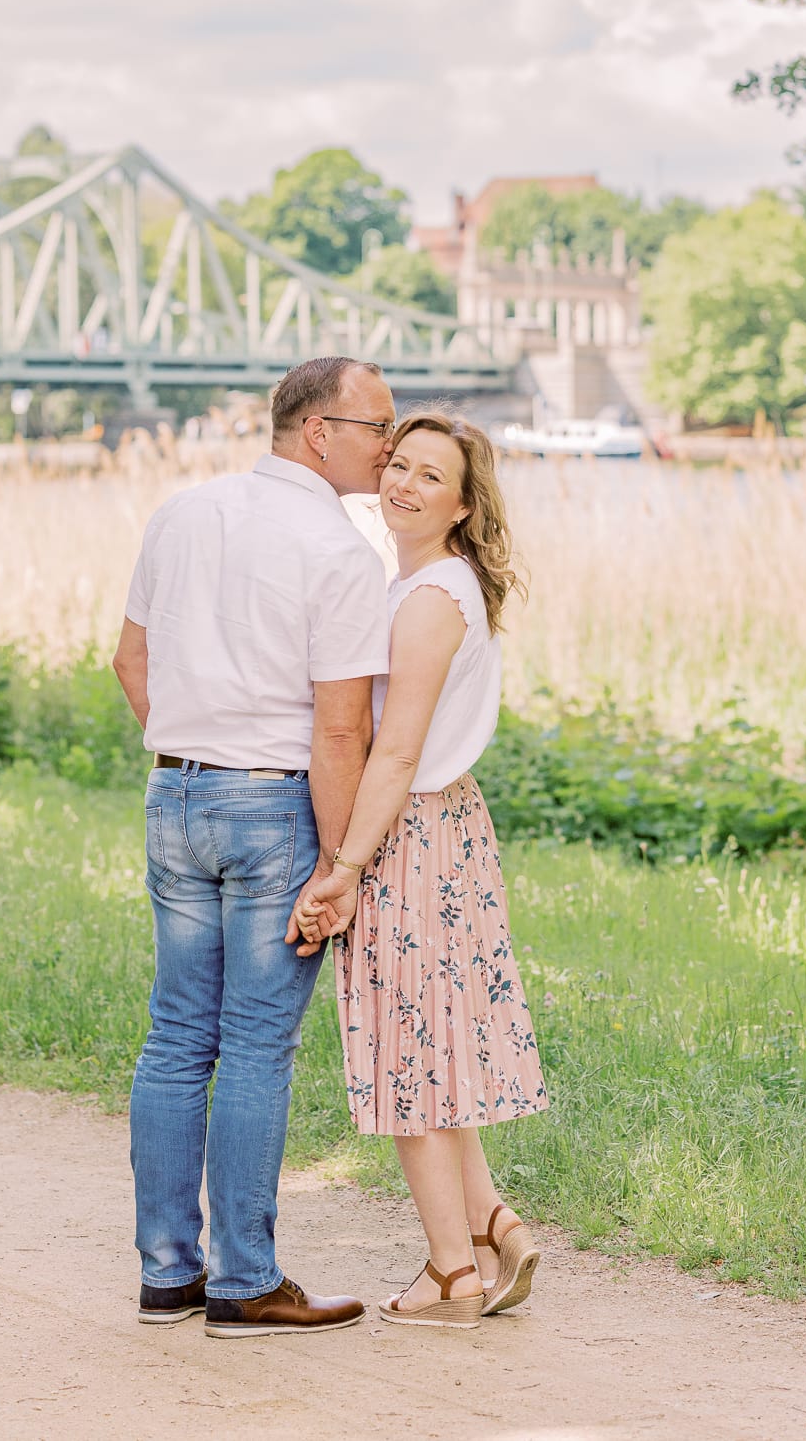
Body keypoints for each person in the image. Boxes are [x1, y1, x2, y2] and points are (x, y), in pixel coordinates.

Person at [112, 356, 396, 1338]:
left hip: (174, 794)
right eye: (377, 426)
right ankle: (243, 1283)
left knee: (177, 1034)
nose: (390, 445)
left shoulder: (181, 514)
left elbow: (129, 658)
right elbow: (340, 733)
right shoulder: (342, 552)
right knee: (257, 1050)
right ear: (319, 430)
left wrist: (195, 747)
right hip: (274, 810)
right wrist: (341, 864)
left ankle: (165, 1275)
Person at [288, 410, 549, 1329]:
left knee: (411, 1053)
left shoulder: (432, 598)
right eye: (398, 463)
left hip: (413, 835)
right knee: (434, 1043)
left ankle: (452, 1276)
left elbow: (394, 753)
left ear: (465, 503)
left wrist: (345, 865)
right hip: (441, 829)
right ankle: (489, 1226)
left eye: (430, 475)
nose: (403, 483)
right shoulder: (431, 586)